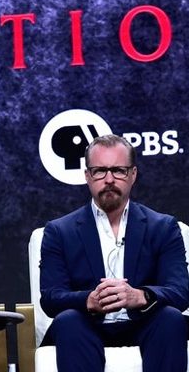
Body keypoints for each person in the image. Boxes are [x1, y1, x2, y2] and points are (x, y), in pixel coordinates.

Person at [40, 134, 189, 372]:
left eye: (118, 170)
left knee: (170, 318)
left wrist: (140, 296)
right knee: (68, 321)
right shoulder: (59, 231)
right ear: (87, 176)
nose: (109, 179)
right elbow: (51, 297)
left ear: (133, 174)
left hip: (144, 322)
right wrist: (89, 300)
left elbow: (180, 291)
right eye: (100, 171)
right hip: (86, 325)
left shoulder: (163, 227)